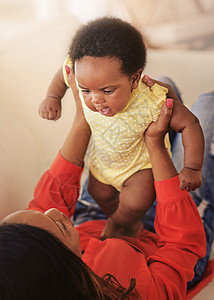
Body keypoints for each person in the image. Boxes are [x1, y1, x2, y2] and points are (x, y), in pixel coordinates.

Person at [0, 76, 207, 299]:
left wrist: (83, 119)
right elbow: (181, 243)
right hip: (164, 245)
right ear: (67, 270)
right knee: (208, 108)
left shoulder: (29, 254)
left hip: (99, 220)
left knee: (157, 91)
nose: (56, 211)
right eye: (58, 224)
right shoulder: (142, 292)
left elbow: (47, 201)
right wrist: (155, 145)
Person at [38, 17, 204, 240]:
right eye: (85, 90)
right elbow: (64, 73)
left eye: (107, 91)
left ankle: (120, 221)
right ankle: (128, 223)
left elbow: (189, 123)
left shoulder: (149, 100)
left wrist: (192, 168)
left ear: (135, 79)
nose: (96, 100)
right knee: (99, 193)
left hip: (140, 166)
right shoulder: (81, 72)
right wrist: (53, 96)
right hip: (104, 162)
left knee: (135, 203)